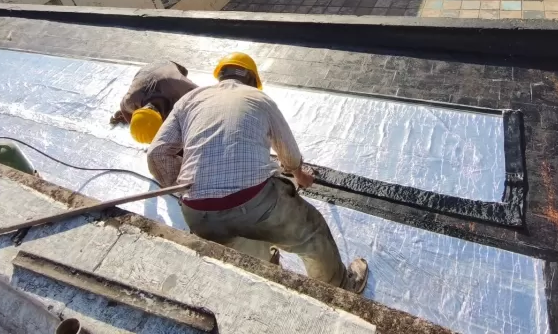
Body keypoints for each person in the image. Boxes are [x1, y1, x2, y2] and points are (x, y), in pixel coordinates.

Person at [147, 52, 369, 293]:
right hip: (255, 203)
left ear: (220, 76)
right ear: (253, 79)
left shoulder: (189, 99)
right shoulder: (258, 98)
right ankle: (339, 289)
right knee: (312, 233)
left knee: (243, 245)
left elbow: (156, 154)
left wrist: (189, 192)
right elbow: (289, 155)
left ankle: (268, 270)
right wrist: (300, 176)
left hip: (199, 213)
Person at [111, 61, 196, 144]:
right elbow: (123, 108)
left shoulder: (184, 92)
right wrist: (134, 122)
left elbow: (203, 98)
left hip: (165, 65)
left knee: (184, 71)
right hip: (146, 72)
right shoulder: (130, 101)